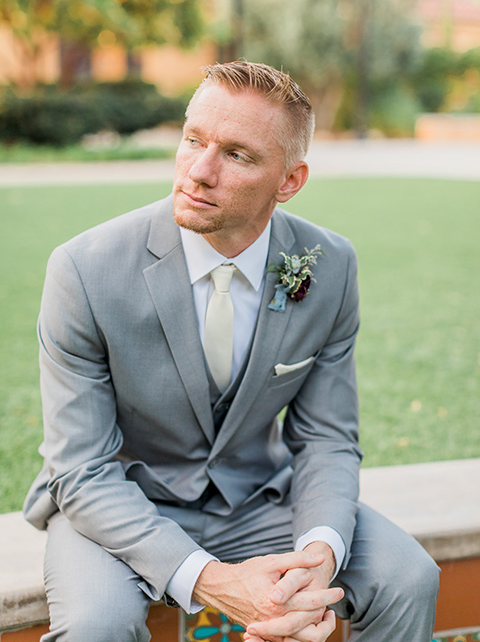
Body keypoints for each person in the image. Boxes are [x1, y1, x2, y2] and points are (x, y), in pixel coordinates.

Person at [24, 61, 439, 642]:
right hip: (116, 504)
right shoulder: (84, 270)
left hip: (256, 497)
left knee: (407, 577)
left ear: (289, 181)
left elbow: (325, 437)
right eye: (193, 139)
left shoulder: (329, 266)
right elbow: (81, 469)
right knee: (97, 624)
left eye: (238, 155)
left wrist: (315, 558)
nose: (198, 171)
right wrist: (212, 581)